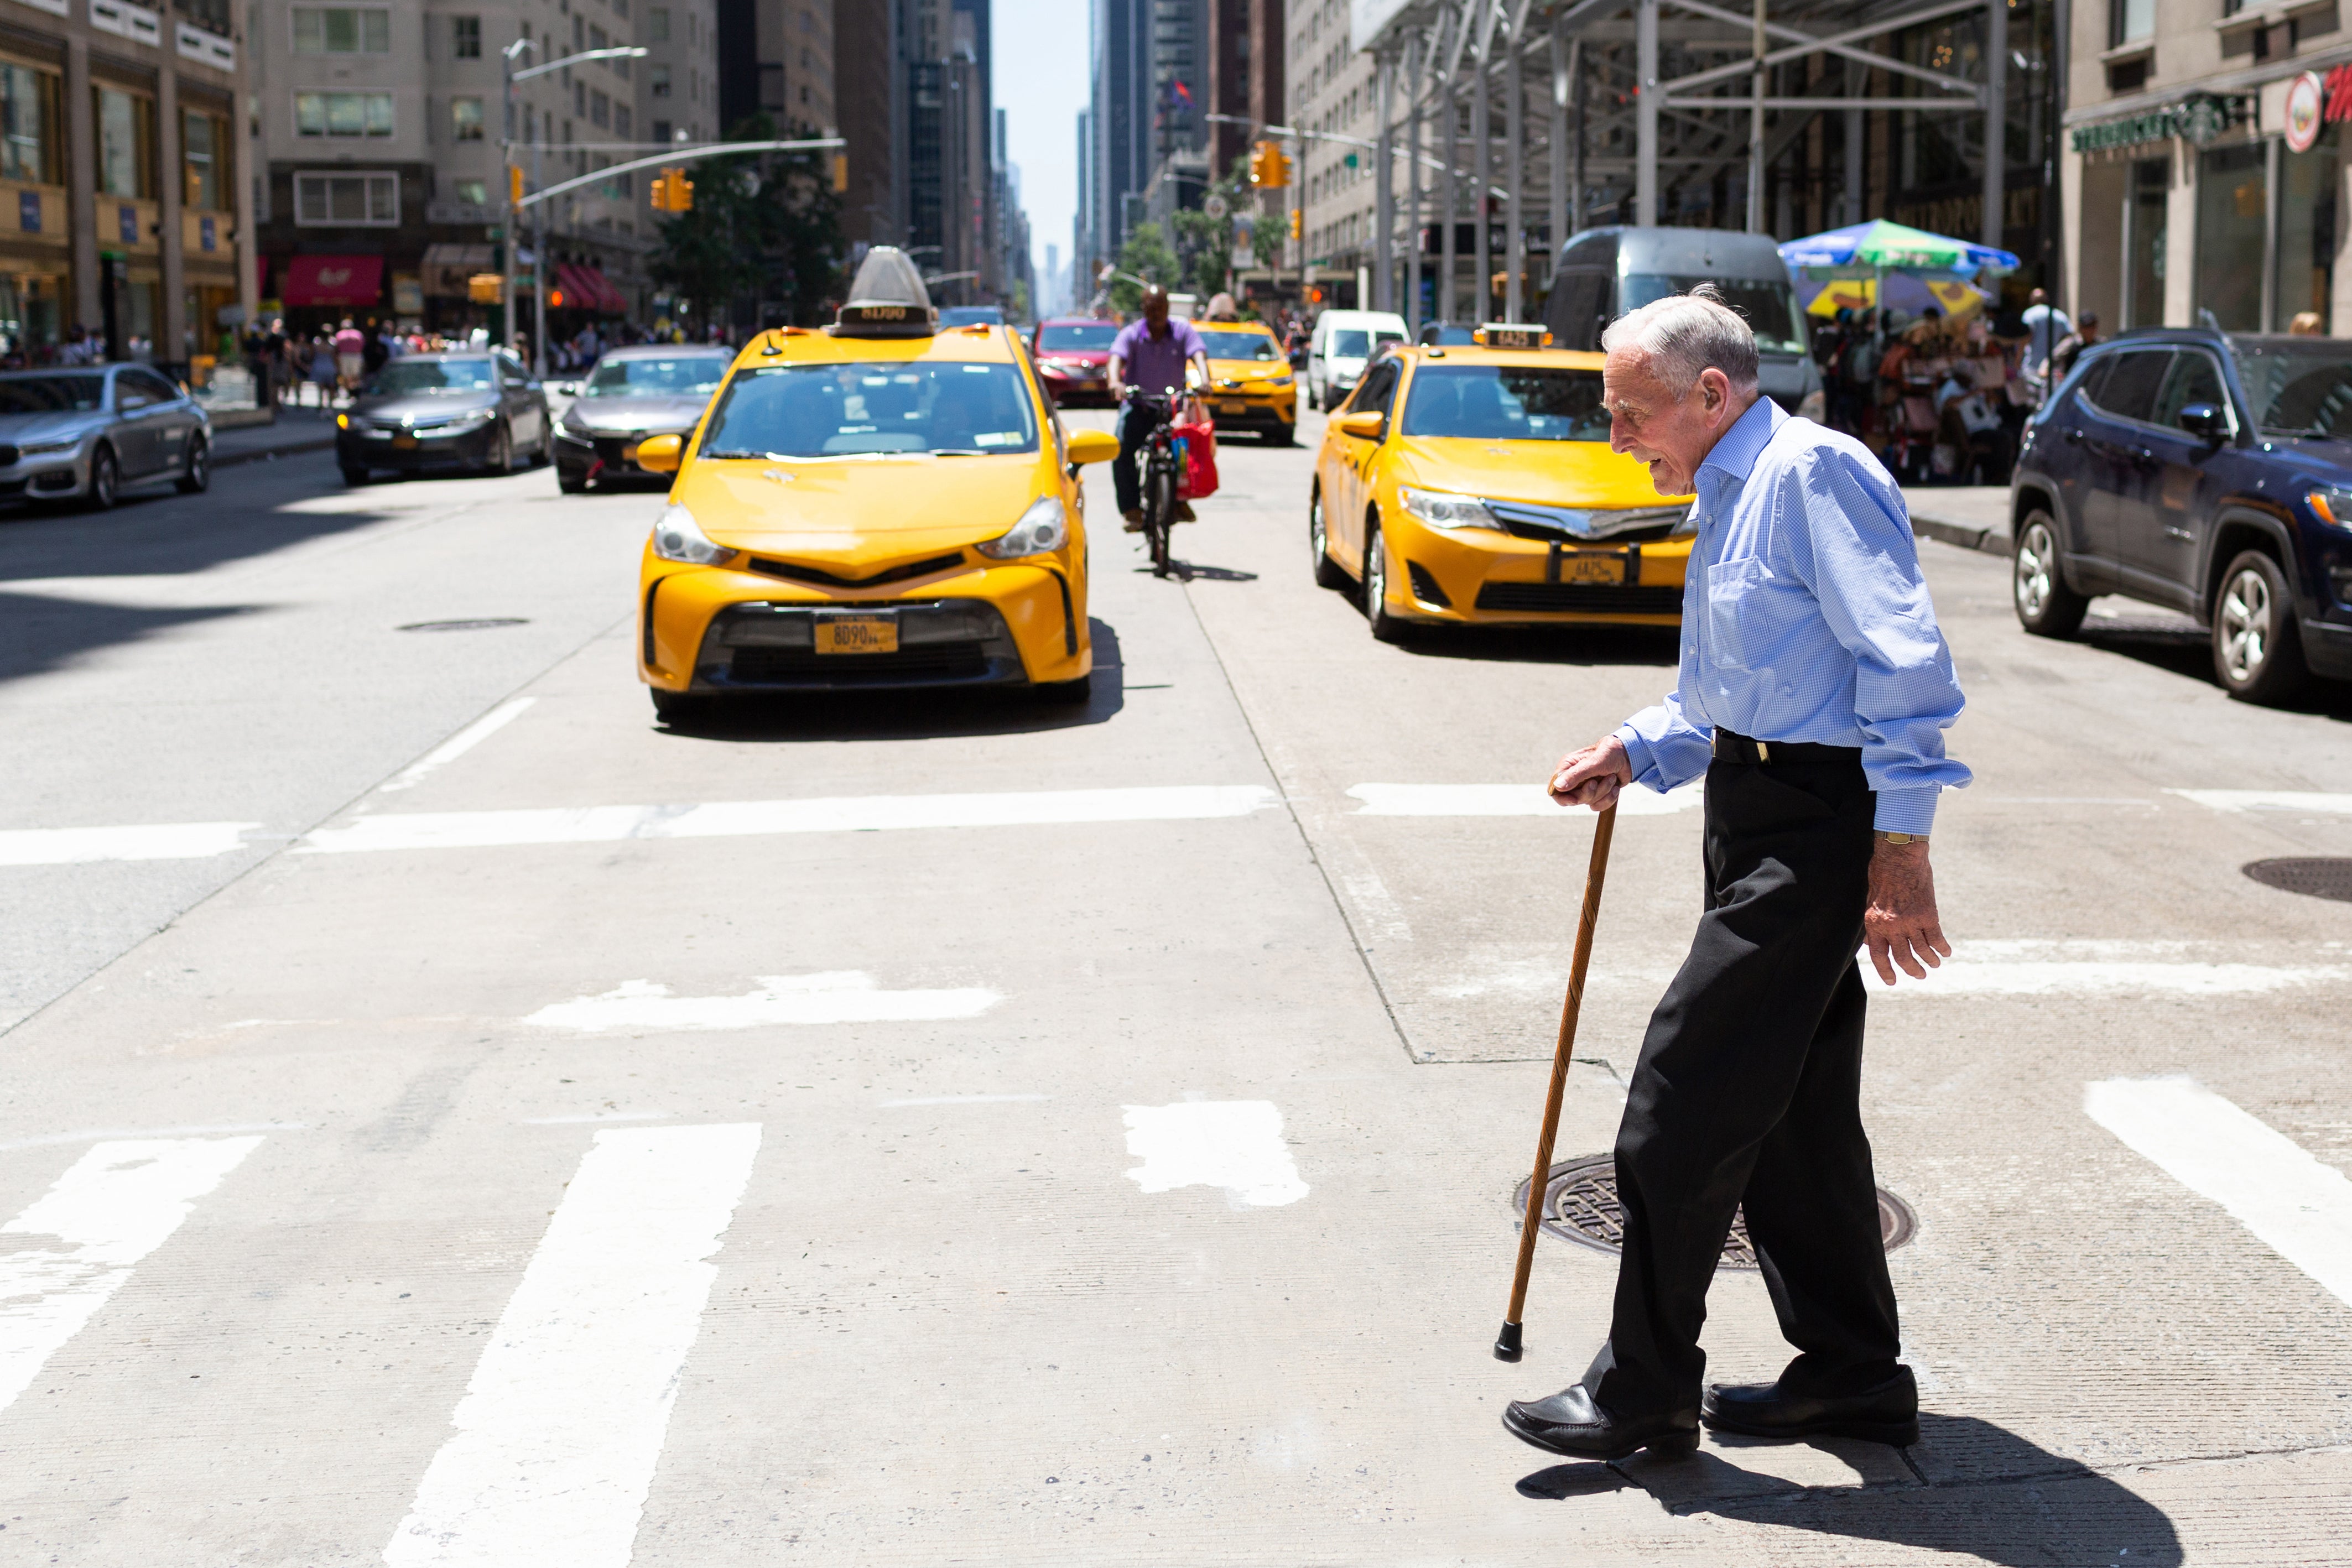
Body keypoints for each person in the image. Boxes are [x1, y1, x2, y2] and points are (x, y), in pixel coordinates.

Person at [1506, 286, 1967, 1464]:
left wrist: (1899, 852)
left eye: (1629, 414)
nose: (1617, 439)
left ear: (1711, 393)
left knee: (1676, 1100)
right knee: (1794, 1119)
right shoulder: (1722, 487)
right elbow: (1732, 687)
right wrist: (1637, 749)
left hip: (1816, 827)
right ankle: (1853, 1375)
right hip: (1750, 809)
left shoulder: (1812, 475)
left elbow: (1902, 665)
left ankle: (1642, 1387)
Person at [1106, 284, 1210, 532]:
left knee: (1188, 449)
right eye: (1151, 308)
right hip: (1139, 406)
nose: (1156, 313)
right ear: (1144, 309)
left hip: (1172, 409)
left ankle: (1180, 501)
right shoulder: (1132, 334)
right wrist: (1115, 382)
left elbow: (1199, 355)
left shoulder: (1182, 331)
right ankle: (1132, 510)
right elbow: (1115, 359)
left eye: (1161, 307)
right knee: (1121, 450)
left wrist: (1205, 381)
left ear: (1168, 308)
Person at [2017, 287, 2070, 395]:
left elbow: (2025, 337)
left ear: (2032, 301)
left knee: (2033, 399)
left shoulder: (2029, 315)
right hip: (2054, 368)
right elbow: (2069, 338)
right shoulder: (2059, 315)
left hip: (2033, 365)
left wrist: (2018, 358)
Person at [2048, 311, 2101, 381]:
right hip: (2074, 383)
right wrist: (2045, 369)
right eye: (2087, 327)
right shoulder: (2071, 343)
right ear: (2080, 328)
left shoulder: (2100, 344)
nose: (2090, 330)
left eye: (2093, 326)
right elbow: (2054, 356)